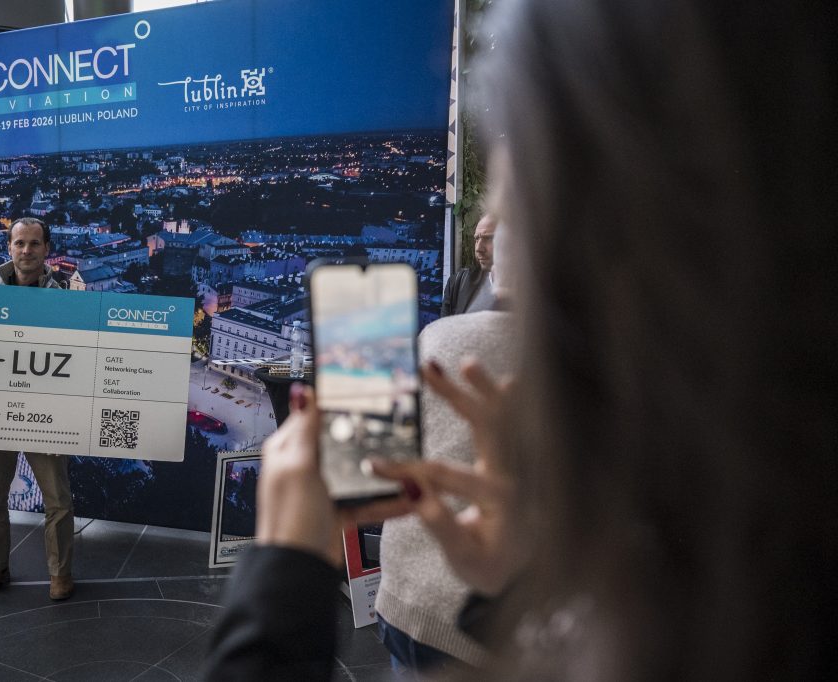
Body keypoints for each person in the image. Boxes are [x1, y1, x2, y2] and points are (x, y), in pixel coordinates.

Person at [205, 0, 833, 680]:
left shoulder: (449, 342)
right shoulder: (743, 578)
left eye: (522, 190)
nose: (496, 215)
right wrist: (510, 592)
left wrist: (283, 579)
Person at [375, 244, 516, 677]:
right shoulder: (587, 360)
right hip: (488, 622)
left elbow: (388, 453)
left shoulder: (438, 336)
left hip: (402, 592)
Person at [0, 217, 76, 601]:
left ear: (47, 249)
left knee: (58, 500)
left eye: (34, 243)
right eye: (19, 243)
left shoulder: (65, 298)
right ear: (9, 247)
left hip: (43, 411)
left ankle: (60, 574)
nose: (26, 250)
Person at [439, 214, 496, 316]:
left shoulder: (526, 289)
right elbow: (444, 325)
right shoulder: (457, 283)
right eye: (477, 239)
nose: (478, 248)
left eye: (488, 238)